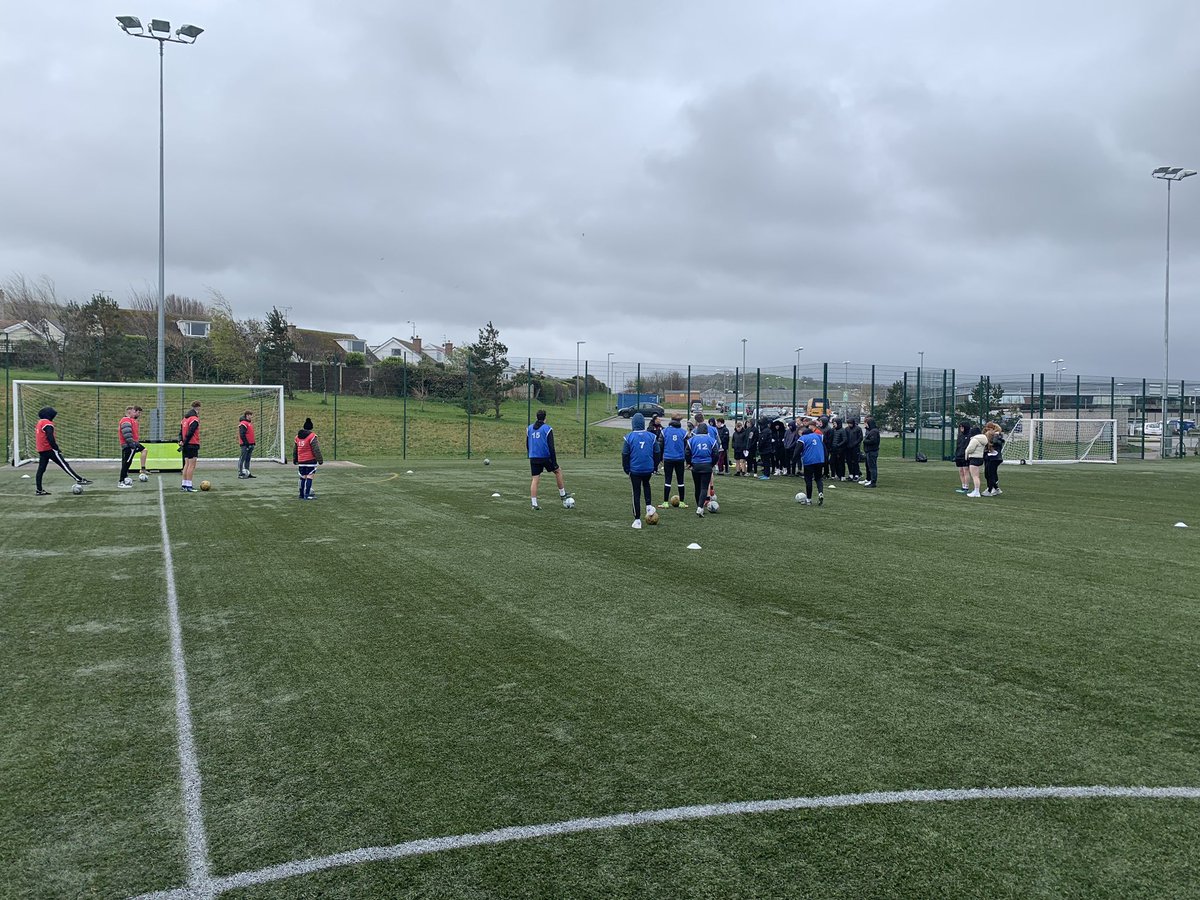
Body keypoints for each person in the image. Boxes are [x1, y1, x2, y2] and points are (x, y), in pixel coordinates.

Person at [33, 407, 91, 495]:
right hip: (49, 449)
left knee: (41, 469)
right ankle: (79, 479)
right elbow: (50, 437)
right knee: (64, 465)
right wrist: (56, 447)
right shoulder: (47, 423)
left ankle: (39, 490)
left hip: (41, 449)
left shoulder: (39, 423)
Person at [622, 413, 661, 528]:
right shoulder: (651, 436)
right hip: (648, 469)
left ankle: (637, 520)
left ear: (633, 423)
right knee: (646, 484)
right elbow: (657, 453)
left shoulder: (629, 437)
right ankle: (649, 506)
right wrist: (654, 467)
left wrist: (627, 469)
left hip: (635, 470)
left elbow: (625, 454)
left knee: (636, 493)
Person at [527, 409, 569, 510]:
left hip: (533, 457)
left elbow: (527, 444)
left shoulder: (529, 428)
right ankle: (562, 494)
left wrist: (531, 453)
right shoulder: (547, 429)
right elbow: (551, 447)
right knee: (558, 471)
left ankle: (534, 504)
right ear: (545, 418)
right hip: (545, 457)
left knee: (535, 479)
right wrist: (554, 462)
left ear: (537, 417)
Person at [685, 422, 718, 517]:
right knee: (704, 487)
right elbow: (716, 454)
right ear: (706, 431)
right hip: (707, 465)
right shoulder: (711, 440)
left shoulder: (691, 440)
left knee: (697, 487)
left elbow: (687, 453)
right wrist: (712, 464)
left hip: (695, 465)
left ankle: (698, 507)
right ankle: (700, 507)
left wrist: (690, 463)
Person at [293, 416, 324, 499]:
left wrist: (295, 459)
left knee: (302, 477)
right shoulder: (312, 436)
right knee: (310, 476)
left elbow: (295, 449)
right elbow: (316, 449)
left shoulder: (297, 437)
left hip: (301, 461)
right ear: (311, 428)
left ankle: (301, 495)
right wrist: (320, 460)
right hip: (310, 461)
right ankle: (307, 495)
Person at [661, 415, 689, 506]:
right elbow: (687, 448)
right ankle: (682, 502)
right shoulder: (683, 432)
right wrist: (687, 460)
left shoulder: (664, 431)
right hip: (680, 459)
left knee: (667, 480)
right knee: (680, 480)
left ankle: (665, 502)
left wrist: (661, 458)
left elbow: (660, 446)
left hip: (668, 458)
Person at [798, 423, 827, 505]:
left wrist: (793, 460)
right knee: (818, 478)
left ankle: (809, 499)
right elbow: (824, 448)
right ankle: (820, 493)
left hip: (809, 461)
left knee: (808, 479)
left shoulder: (803, 438)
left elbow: (797, 450)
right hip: (820, 460)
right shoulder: (818, 436)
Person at [117, 405, 146, 487]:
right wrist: (132, 445)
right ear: (129, 412)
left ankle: (124, 478)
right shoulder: (126, 420)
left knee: (127, 463)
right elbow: (127, 434)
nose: (136, 413)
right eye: (134, 411)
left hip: (130, 445)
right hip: (128, 446)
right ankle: (121, 481)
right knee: (126, 463)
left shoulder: (129, 420)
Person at [178, 401, 201, 493]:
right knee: (192, 465)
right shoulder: (194, 419)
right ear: (198, 407)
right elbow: (191, 432)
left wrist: (181, 441)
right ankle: (189, 485)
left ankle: (184, 484)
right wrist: (185, 441)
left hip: (186, 444)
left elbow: (180, 432)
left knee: (186, 465)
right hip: (192, 444)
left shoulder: (184, 419)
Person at [963, 425, 989, 497]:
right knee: (977, 476)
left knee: (975, 476)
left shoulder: (974, 440)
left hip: (974, 458)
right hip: (980, 458)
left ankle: (976, 491)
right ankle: (976, 490)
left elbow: (970, 449)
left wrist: (966, 452)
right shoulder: (983, 440)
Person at [982, 422, 1005, 496]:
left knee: (991, 474)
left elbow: (996, 442)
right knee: (987, 474)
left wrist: (994, 436)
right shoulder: (989, 434)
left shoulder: (997, 435)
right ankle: (995, 488)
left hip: (995, 458)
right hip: (989, 457)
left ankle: (990, 490)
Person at [954, 422, 974, 493]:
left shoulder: (969, 436)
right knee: (961, 471)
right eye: (960, 427)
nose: (961, 429)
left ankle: (966, 487)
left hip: (965, 456)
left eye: (962, 427)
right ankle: (963, 486)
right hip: (959, 455)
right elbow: (958, 446)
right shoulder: (960, 435)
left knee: (966, 470)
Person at [861, 416, 880, 487]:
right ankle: (871, 480)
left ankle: (873, 482)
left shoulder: (874, 431)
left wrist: (865, 441)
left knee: (872, 467)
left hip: (872, 451)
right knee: (870, 467)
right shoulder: (872, 431)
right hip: (870, 451)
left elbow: (873, 441)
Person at [238, 410, 257, 478]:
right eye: (250, 415)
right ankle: (240, 473)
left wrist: (253, 443)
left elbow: (250, 434)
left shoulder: (249, 423)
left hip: (251, 444)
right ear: (247, 415)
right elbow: (242, 434)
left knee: (248, 459)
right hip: (245, 445)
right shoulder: (243, 423)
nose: (251, 416)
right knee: (242, 458)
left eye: (251, 415)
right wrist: (246, 443)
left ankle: (247, 473)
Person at [845, 417, 864, 482]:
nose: (849, 425)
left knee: (855, 462)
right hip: (848, 448)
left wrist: (854, 444)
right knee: (849, 461)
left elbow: (860, 438)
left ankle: (856, 474)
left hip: (855, 448)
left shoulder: (858, 429)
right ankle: (851, 474)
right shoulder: (847, 429)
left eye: (850, 423)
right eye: (848, 423)